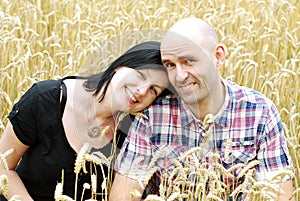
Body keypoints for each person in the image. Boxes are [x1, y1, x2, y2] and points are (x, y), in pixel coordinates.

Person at [109, 18, 295, 201]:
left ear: (218, 57)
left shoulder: (259, 113)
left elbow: (280, 195)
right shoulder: (153, 116)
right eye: (171, 65)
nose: (180, 76)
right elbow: (123, 195)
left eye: (188, 61)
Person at [0, 41, 171, 201]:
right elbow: (2, 167)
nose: (142, 91)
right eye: (141, 75)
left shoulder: (135, 135)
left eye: (153, 90)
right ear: (120, 65)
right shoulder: (46, 99)